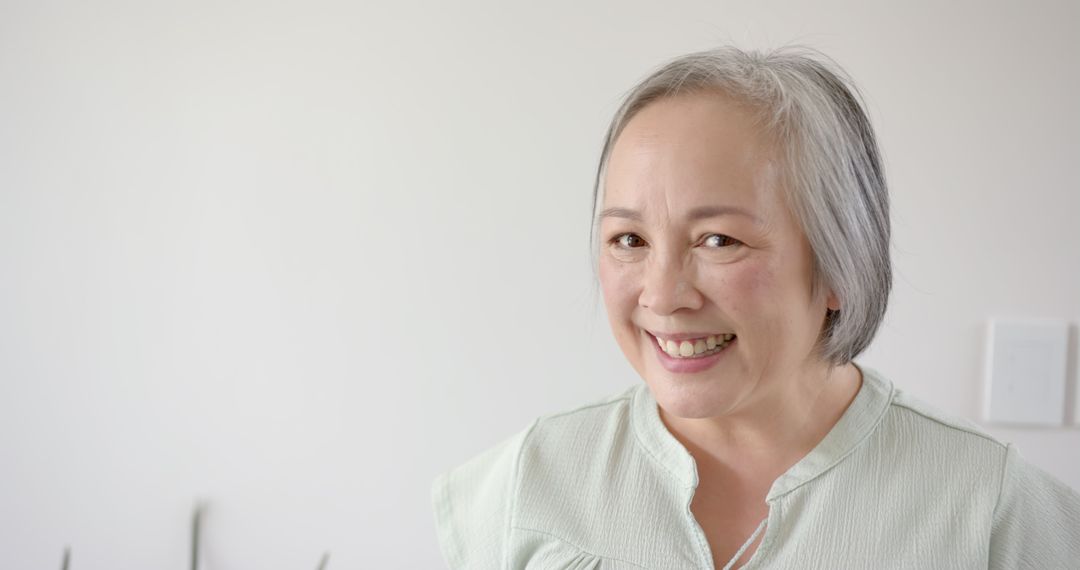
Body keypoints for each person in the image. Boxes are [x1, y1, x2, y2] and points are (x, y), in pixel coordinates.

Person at [430, 46, 1080, 569]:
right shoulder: (522, 486)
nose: (662, 294)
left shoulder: (989, 509)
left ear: (838, 265)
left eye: (719, 240)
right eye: (629, 239)